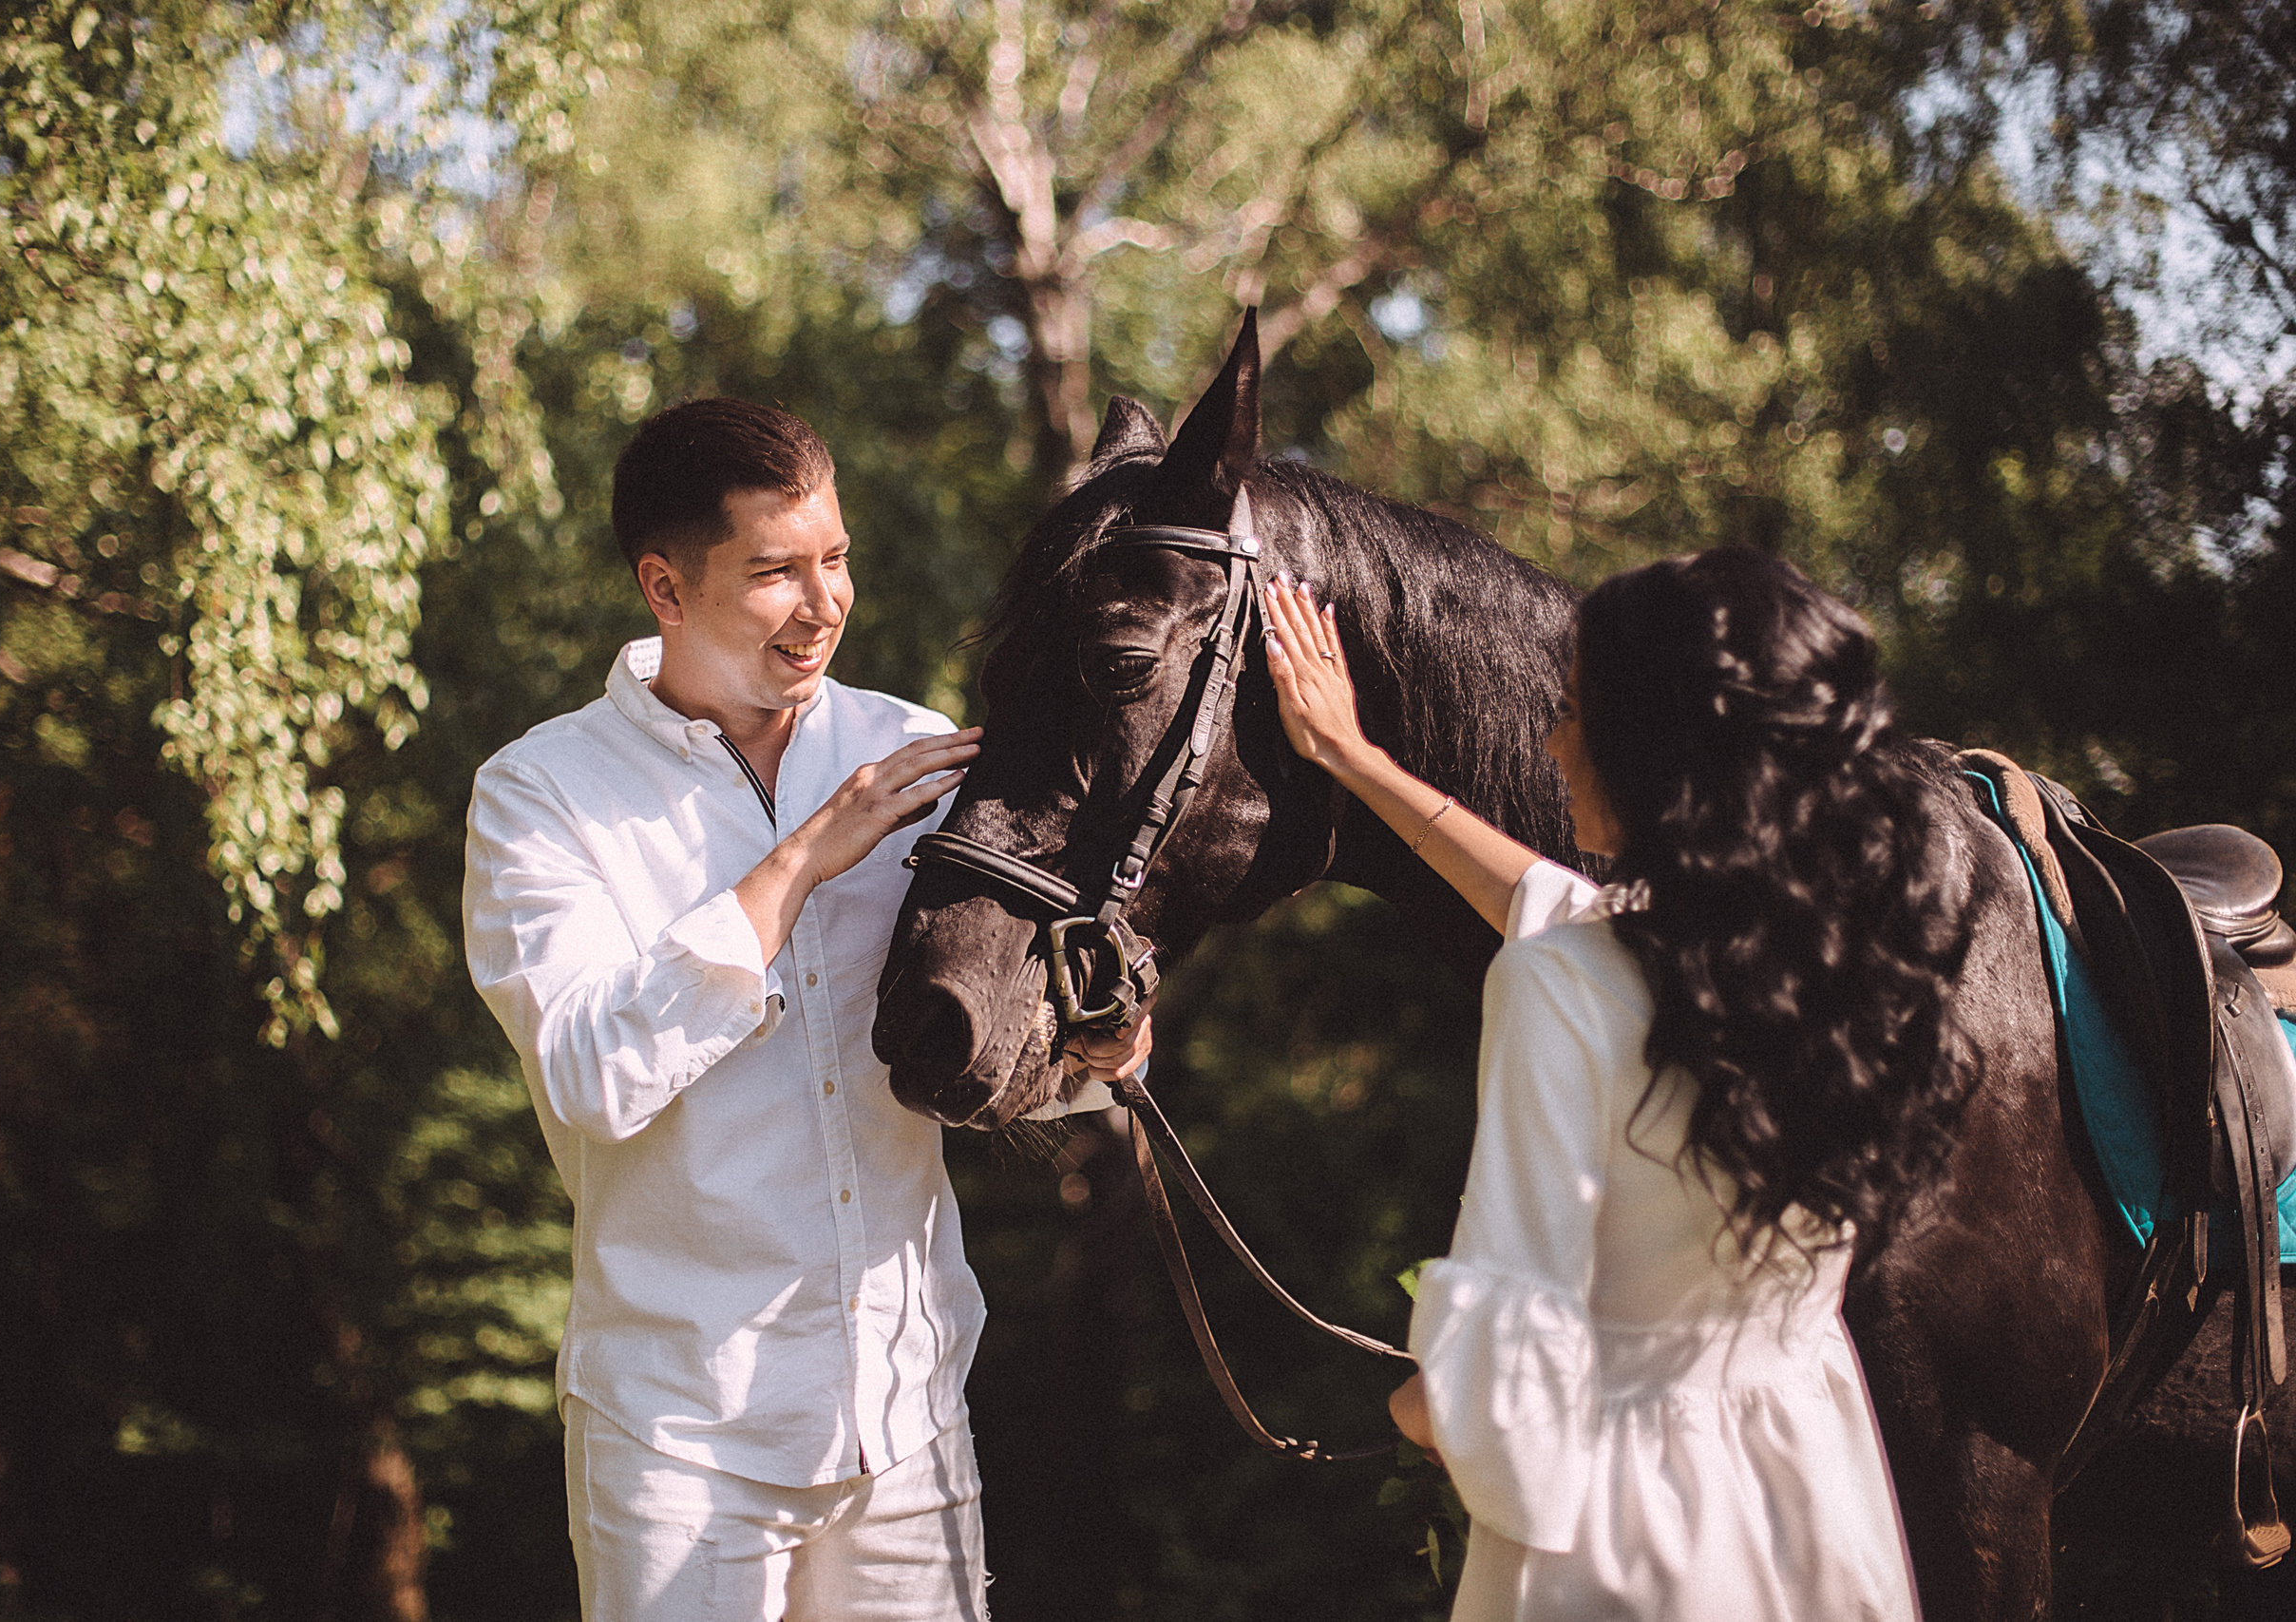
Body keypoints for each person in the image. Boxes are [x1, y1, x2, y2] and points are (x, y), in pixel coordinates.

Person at [463, 398, 1143, 1622]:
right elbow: (589, 1074)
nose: (823, 602)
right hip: (679, 1433)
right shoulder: (540, 795)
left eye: (834, 559)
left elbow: (992, 1051)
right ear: (665, 589)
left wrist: (1094, 1053)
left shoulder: (920, 749)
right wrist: (799, 864)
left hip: (908, 1408)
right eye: (775, 571)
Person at [1261, 548, 1969, 1622]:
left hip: (1628, 1531)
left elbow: (1506, 1383)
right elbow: (1557, 907)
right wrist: (1354, 759)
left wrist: (1423, 1403)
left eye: (1576, 711)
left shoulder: (1560, 983)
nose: (1551, 741)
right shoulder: (1847, 958)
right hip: (1811, 1492)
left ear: (1657, 750)